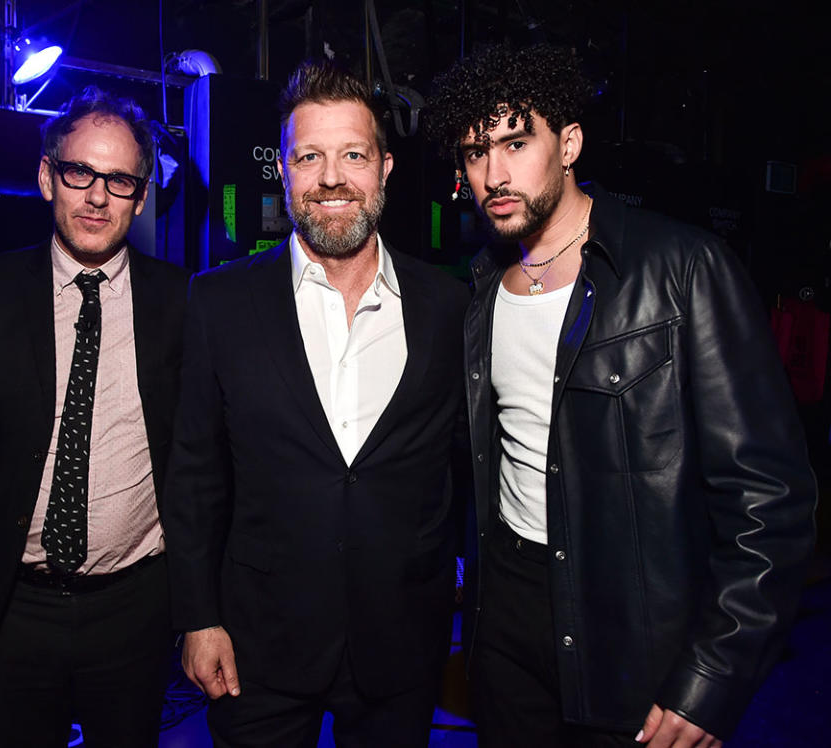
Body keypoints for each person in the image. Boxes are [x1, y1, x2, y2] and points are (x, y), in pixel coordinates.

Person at [424, 43, 817, 748]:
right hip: (505, 628)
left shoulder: (681, 270)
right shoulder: (478, 291)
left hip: (636, 634)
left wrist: (714, 679)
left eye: (517, 142)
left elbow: (770, 500)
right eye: (475, 152)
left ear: (569, 143)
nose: (495, 173)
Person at [163, 61, 468, 747]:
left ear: (385, 167)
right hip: (256, 646)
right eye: (309, 157)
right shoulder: (219, 302)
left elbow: (467, 468)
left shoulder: (449, 306)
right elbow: (194, 478)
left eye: (353, 155)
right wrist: (198, 617)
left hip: (401, 645)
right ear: (285, 170)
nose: (332, 178)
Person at [0, 87, 190, 747]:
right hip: (9, 609)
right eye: (79, 172)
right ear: (46, 177)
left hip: (135, 608)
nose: (97, 195)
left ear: (141, 196)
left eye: (119, 180)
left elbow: (209, 465)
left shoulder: (184, 305)